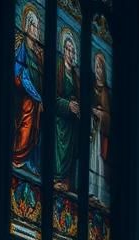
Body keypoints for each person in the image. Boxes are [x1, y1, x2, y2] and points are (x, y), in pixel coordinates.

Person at [12, 8, 43, 175]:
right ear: (26, 26)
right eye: (33, 26)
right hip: (25, 97)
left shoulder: (38, 54)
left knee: (36, 131)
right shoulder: (22, 46)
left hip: (37, 100)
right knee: (26, 123)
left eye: (38, 27)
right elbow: (18, 72)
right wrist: (36, 95)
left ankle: (30, 162)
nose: (36, 30)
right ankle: (17, 157)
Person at [54, 28, 80, 193]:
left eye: (72, 50)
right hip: (59, 120)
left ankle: (66, 182)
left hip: (72, 124)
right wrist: (67, 105)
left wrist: (78, 108)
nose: (70, 53)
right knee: (59, 148)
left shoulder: (76, 76)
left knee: (72, 151)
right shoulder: (58, 69)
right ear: (63, 50)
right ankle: (55, 178)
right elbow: (52, 97)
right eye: (67, 49)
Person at [89, 51, 111, 208]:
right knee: (90, 158)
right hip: (91, 130)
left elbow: (109, 116)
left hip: (101, 134)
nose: (98, 70)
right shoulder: (91, 87)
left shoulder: (106, 92)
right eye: (96, 67)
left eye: (100, 67)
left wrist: (101, 114)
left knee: (99, 161)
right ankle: (89, 191)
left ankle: (98, 193)